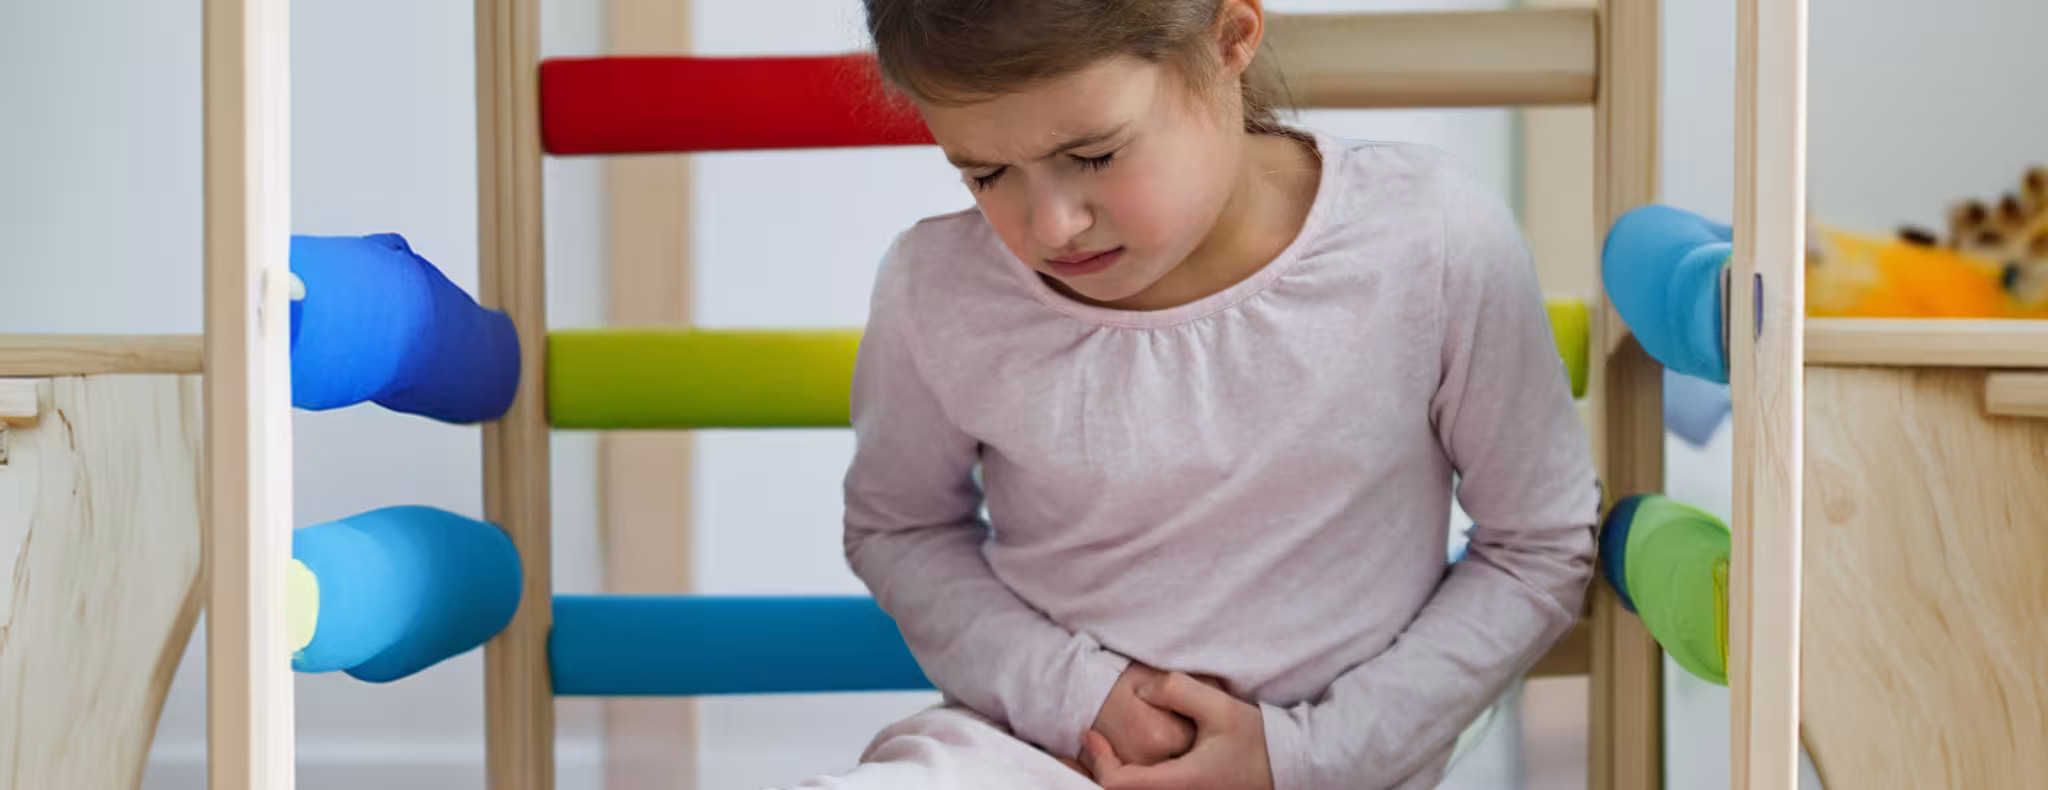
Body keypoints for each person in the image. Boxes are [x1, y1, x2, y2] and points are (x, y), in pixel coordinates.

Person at [790, 1, 1600, 787]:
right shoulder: (938, 286)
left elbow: (1538, 547)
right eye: (986, 173)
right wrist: (1077, 697)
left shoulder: (1428, 236)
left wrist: (1307, 756)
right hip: (1027, 754)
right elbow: (902, 530)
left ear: (1230, 38)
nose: (1053, 225)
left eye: (1094, 155)